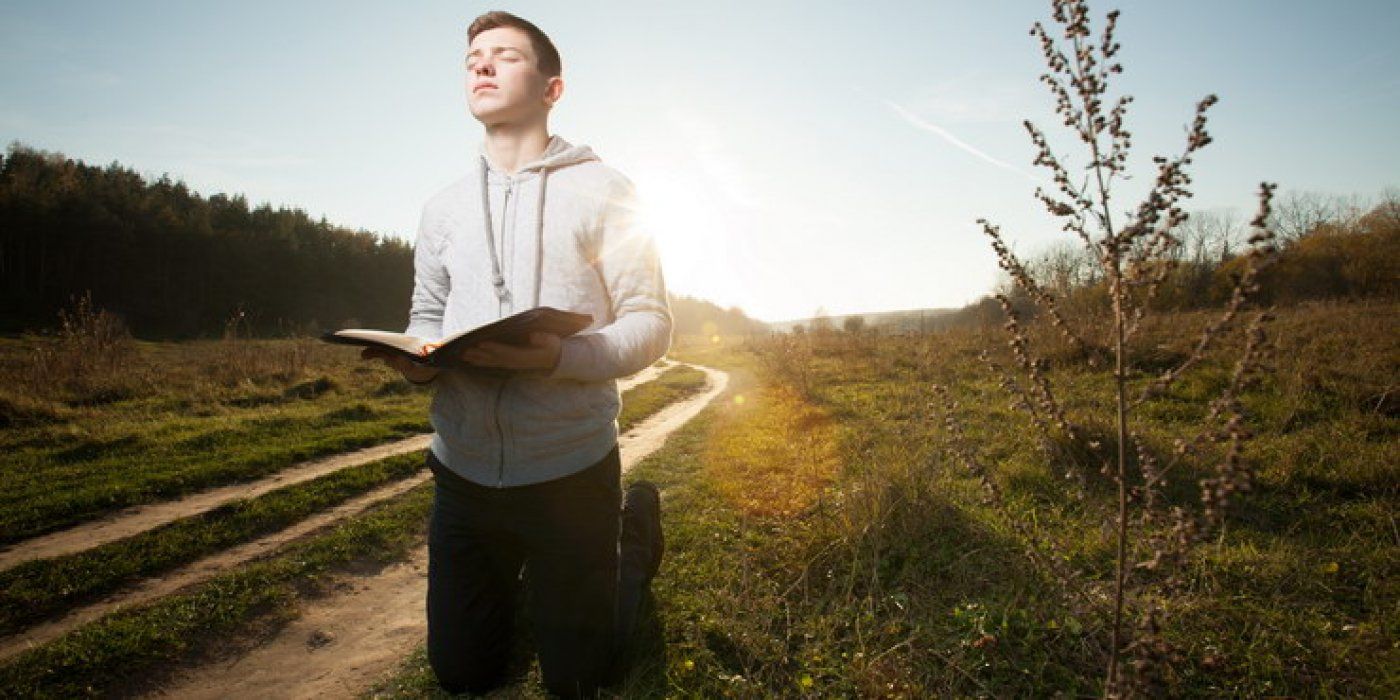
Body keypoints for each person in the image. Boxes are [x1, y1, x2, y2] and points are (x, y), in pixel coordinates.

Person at [360, 10, 672, 698]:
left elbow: (651, 324)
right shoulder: (441, 209)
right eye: (473, 56)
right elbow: (426, 317)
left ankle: (630, 541)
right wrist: (418, 360)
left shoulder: (607, 190)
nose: (481, 64)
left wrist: (555, 359)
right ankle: (547, 591)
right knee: (463, 675)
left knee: (581, 680)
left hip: (571, 472)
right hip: (463, 475)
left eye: (505, 55)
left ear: (552, 89)